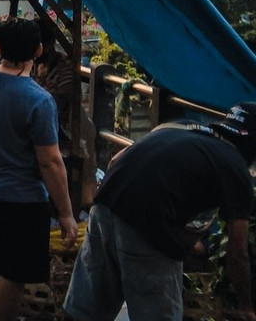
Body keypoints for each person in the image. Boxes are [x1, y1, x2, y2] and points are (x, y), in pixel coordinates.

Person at [64, 103, 256, 321]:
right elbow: (238, 251)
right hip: (148, 221)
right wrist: (245, 305)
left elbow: (116, 159)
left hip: (106, 201)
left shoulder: (184, 127)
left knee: (87, 311)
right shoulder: (236, 169)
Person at [0, 18, 77, 321]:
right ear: (37, 50)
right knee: (15, 273)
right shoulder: (39, 99)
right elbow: (49, 161)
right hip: (22, 200)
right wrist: (65, 212)